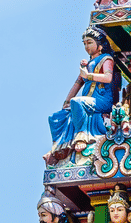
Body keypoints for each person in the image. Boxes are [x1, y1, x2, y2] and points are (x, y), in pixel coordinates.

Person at [46, 28, 117, 164]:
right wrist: (66, 101)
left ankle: (82, 135)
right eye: (84, 43)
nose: (86, 46)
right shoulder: (89, 63)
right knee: (55, 117)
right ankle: (60, 147)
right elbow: (77, 83)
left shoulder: (106, 59)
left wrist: (88, 75)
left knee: (77, 103)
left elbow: (108, 78)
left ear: (100, 45)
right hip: (87, 100)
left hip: (101, 100)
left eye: (89, 42)